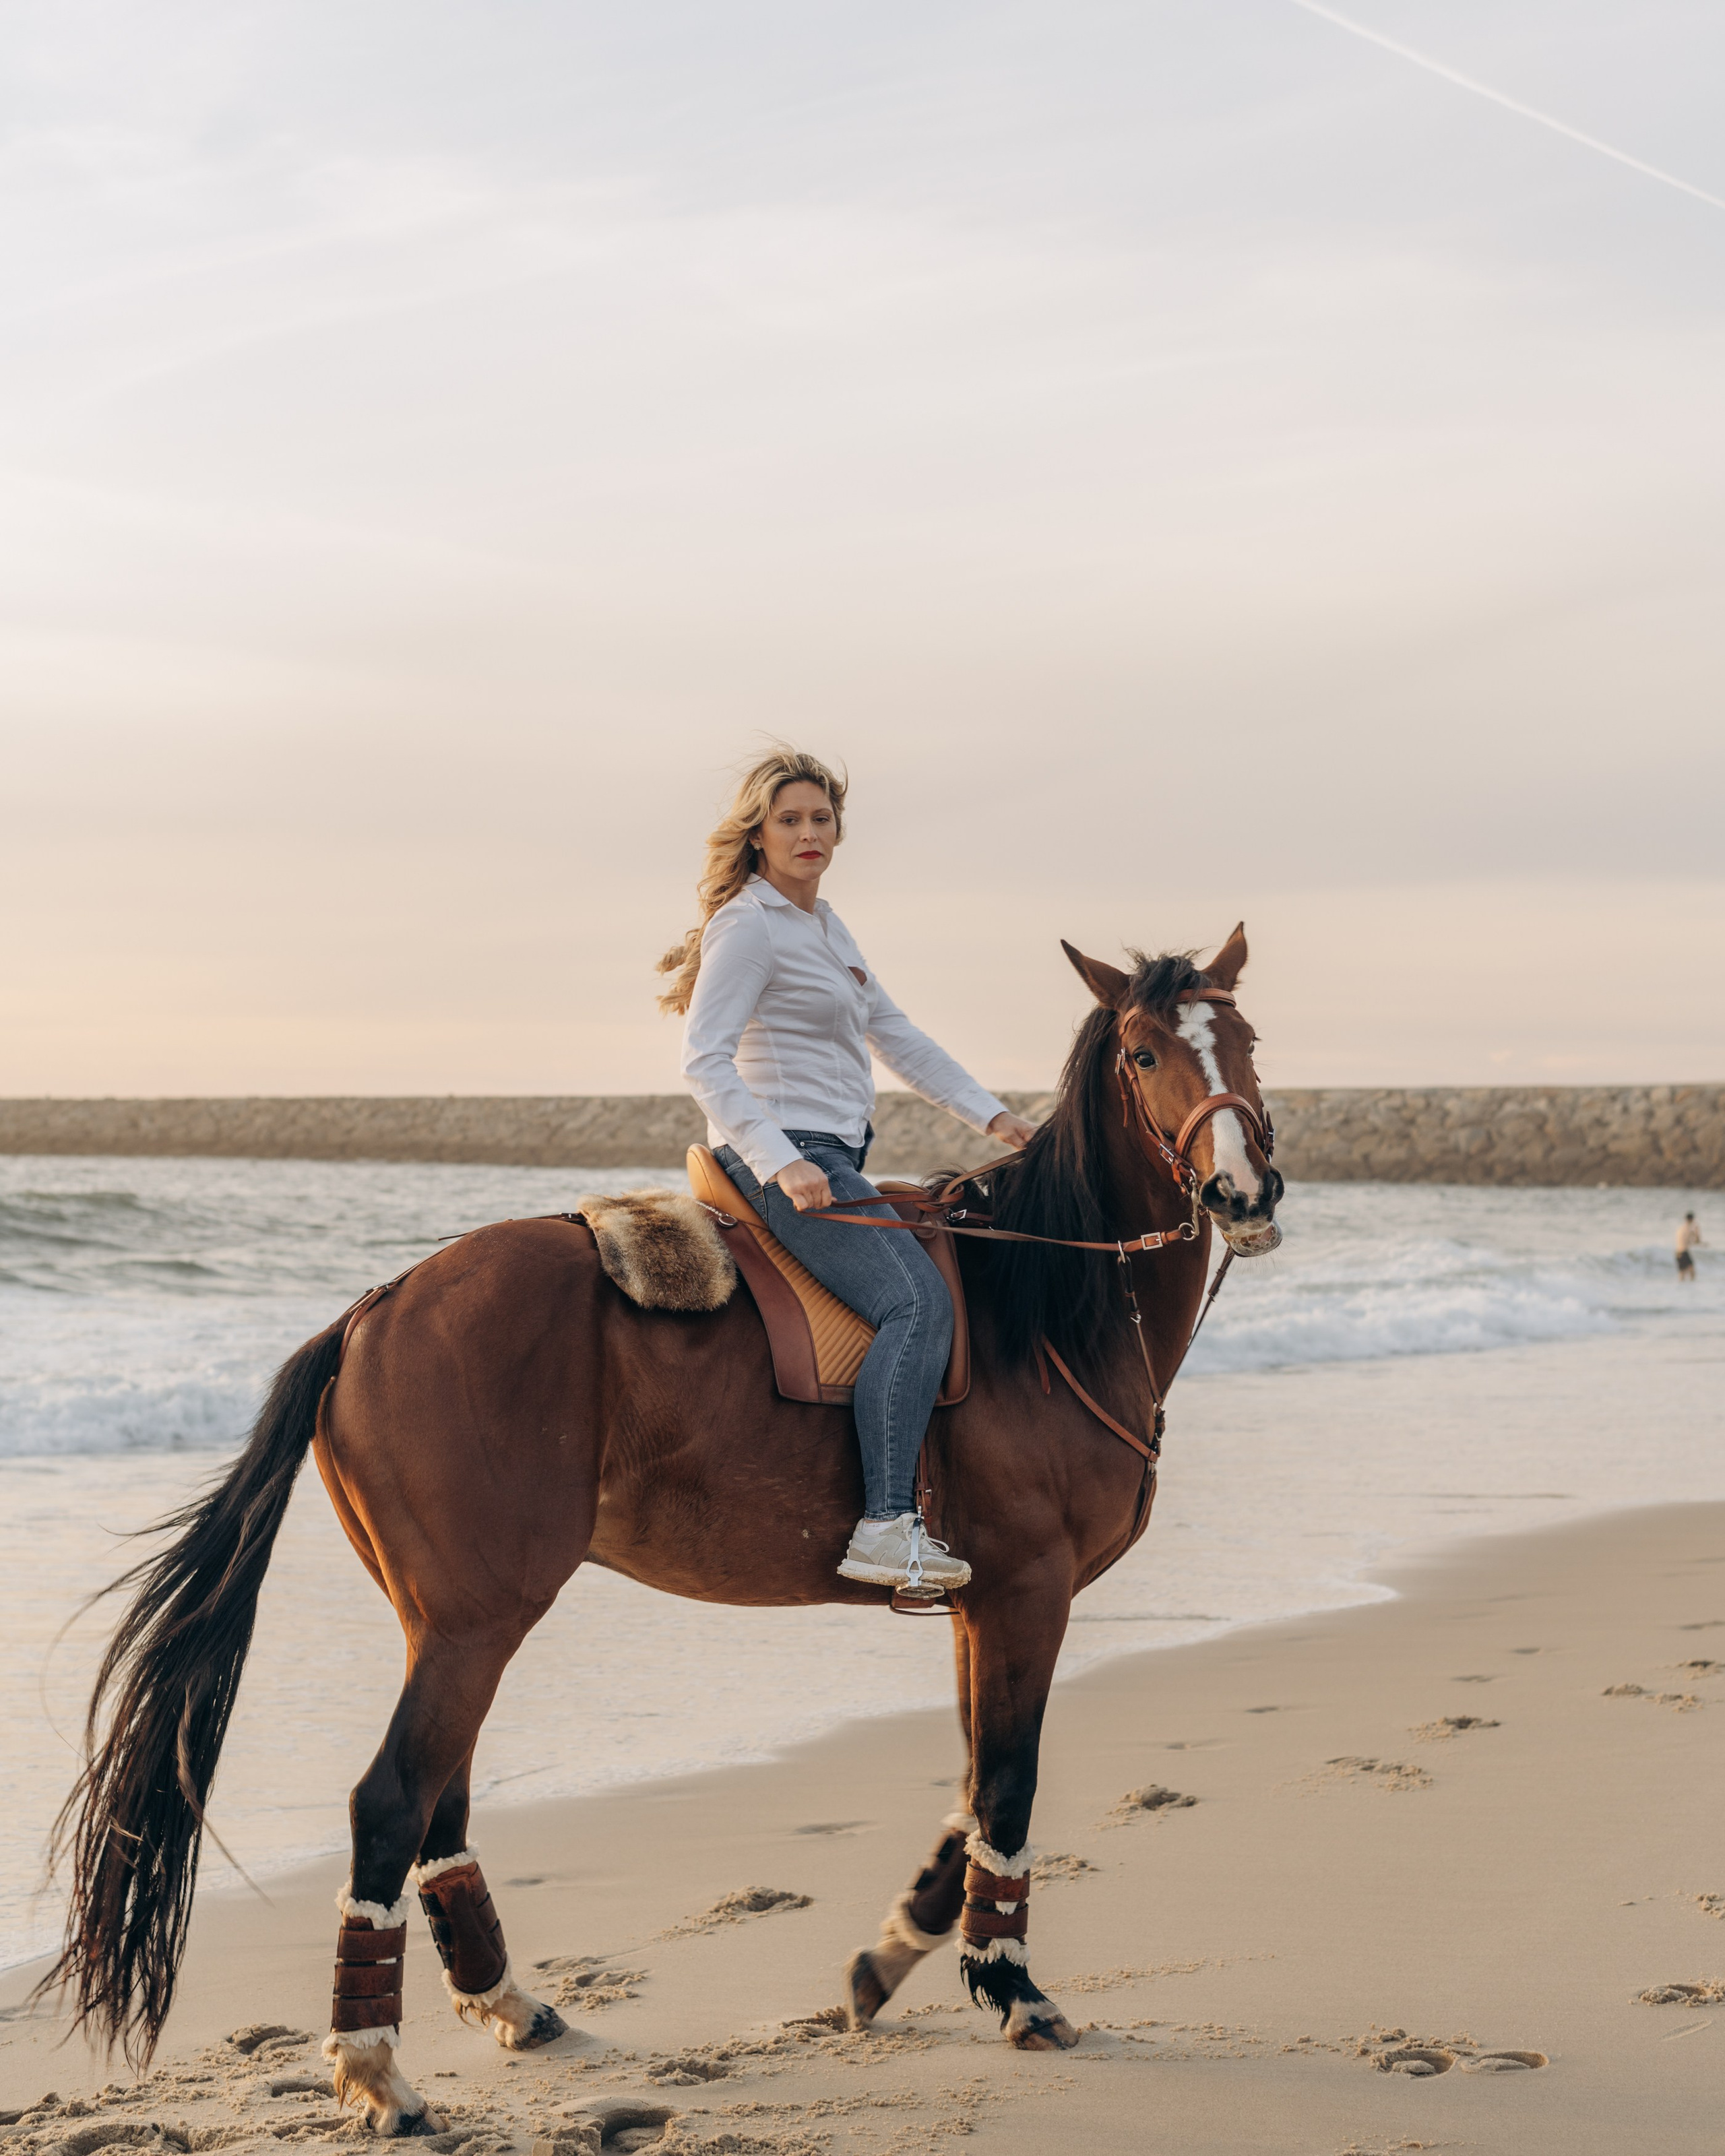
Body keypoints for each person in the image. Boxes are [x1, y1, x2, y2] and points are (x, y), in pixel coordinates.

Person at [661, 749, 1037, 1591]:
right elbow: (705, 1061)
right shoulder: (749, 925)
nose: (807, 833)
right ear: (757, 833)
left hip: (832, 1154)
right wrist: (782, 1159)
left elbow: (897, 1035)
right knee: (916, 1301)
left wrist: (999, 1117)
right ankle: (883, 1523)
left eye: (820, 819)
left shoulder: (827, 928)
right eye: (789, 819)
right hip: (783, 1157)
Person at [1676, 1211, 1703, 1282]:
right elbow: (1697, 1241)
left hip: (1678, 1252)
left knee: (1682, 1272)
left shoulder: (1681, 1228)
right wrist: (1697, 1231)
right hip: (1684, 1252)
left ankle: (1681, 1289)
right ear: (1691, 1219)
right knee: (1692, 1271)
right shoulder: (1690, 1228)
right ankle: (1692, 1288)